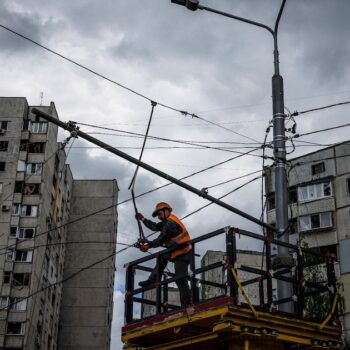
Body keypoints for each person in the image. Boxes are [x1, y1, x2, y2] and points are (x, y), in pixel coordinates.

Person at [135, 202, 192, 308]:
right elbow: (155, 227)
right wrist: (143, 219)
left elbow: (162, 238)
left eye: (160, 214)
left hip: (183, 253)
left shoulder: (171, 223)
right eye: (157, 215)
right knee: (162, 257)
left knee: (180, 279)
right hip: (176, 251)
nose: (159, 217)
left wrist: (148, 245)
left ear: (167, 211)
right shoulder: (166, 222)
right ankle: (152, 280)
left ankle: (187, 306)